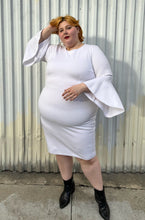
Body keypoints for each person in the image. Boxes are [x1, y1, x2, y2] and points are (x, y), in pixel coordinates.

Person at [23, 15, 124, 220]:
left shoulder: (91, 51)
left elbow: (106, 77)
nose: (65, 32)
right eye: (61, 30)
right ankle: (68, 186)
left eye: (69, 27)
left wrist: (83, 86)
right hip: (51, 120)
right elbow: (32, 50)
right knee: (61, 152)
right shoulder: (53, 51)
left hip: (79, 123)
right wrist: (50, 28)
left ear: (78, 29)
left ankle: (100, 196)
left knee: (87, 159)